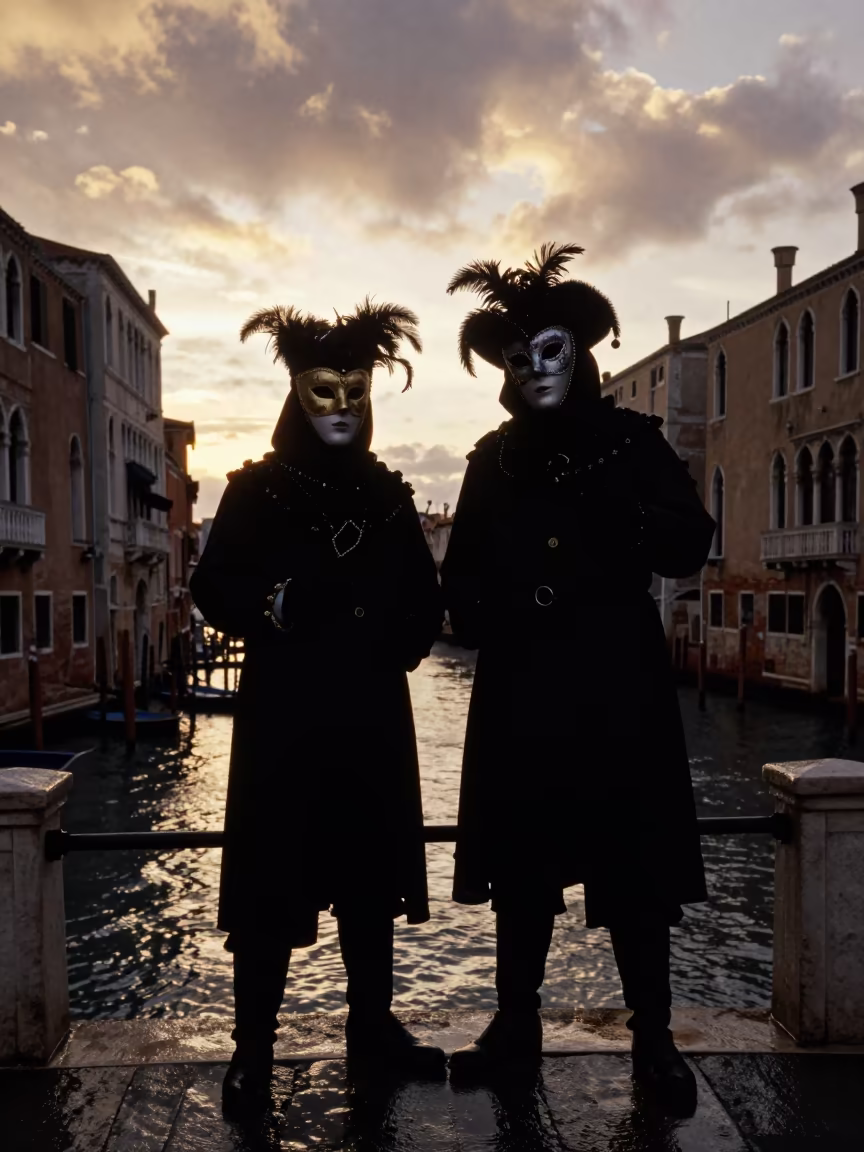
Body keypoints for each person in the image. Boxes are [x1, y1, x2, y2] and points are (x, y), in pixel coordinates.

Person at [440, 244, 716, 1113]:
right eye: (516, 360)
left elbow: (686, 540)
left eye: (549, 352)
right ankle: (513, 1029)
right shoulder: (492, 460)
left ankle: (654, 1038)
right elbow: (462, 575)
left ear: (583, 354)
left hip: (616, 678)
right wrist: (480, 605)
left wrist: (622, 518)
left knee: (635, 866)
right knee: (520, 869)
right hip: (523, 682)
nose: (533, 372)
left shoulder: (634, 444)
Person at [190, 299, 446, 1112]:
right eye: (323, 390)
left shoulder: (390, 494)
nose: (342, 407)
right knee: (271, 890)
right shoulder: (256, 491)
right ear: (296, 395)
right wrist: (276, 606)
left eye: (355, 390)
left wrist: (393, 645)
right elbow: (213, 586)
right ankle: (252, 1053)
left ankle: (372, 1028)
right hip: (286, 720)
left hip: (371, 715)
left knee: (370, 888)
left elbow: (422, 597)